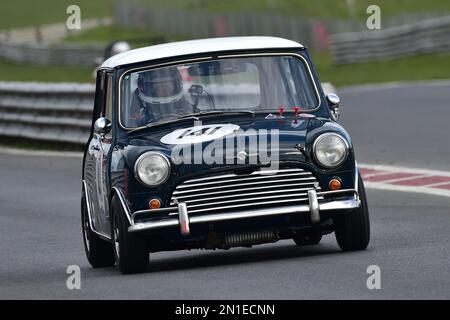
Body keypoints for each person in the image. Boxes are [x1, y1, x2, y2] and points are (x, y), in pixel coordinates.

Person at [129, 67, 195, 126]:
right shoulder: (138, 112)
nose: (164, 89)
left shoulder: (188, 109)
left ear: (176, 85)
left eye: (168, 84)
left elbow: (198, 125)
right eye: (158, 85)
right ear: (149, 88)